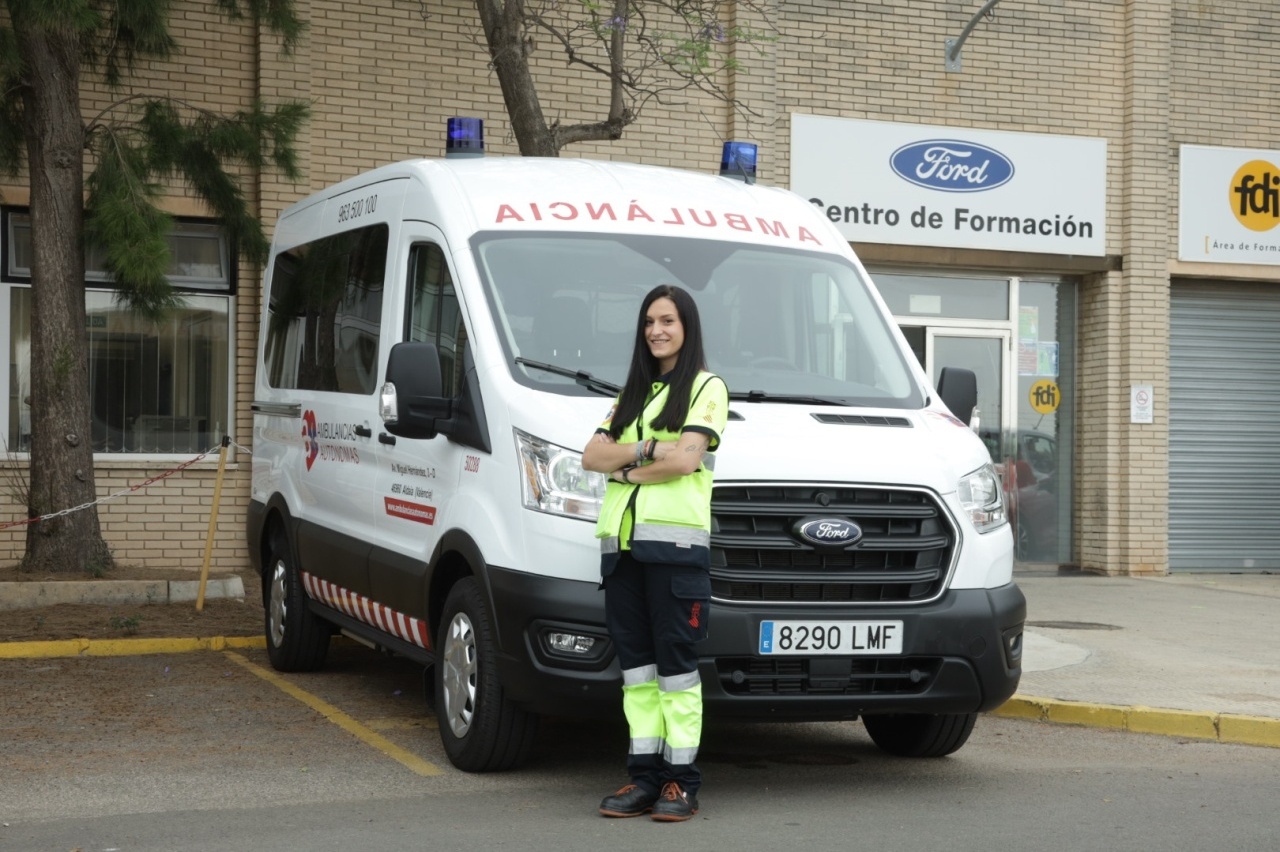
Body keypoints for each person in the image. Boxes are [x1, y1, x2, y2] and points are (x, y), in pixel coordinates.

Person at [582, 284, 729, 823]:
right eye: (649, 321)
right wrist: (646, 449)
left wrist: (626, 471)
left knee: (676, 673)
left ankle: (681, 784)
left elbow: (686, 460)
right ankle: (643, 779)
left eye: (667, 320)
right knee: (638, 675)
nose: (656, 331)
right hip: (622, 552)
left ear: (686, 327)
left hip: (674, 554)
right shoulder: (634, 393)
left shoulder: (707, 387)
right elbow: (591, 455)